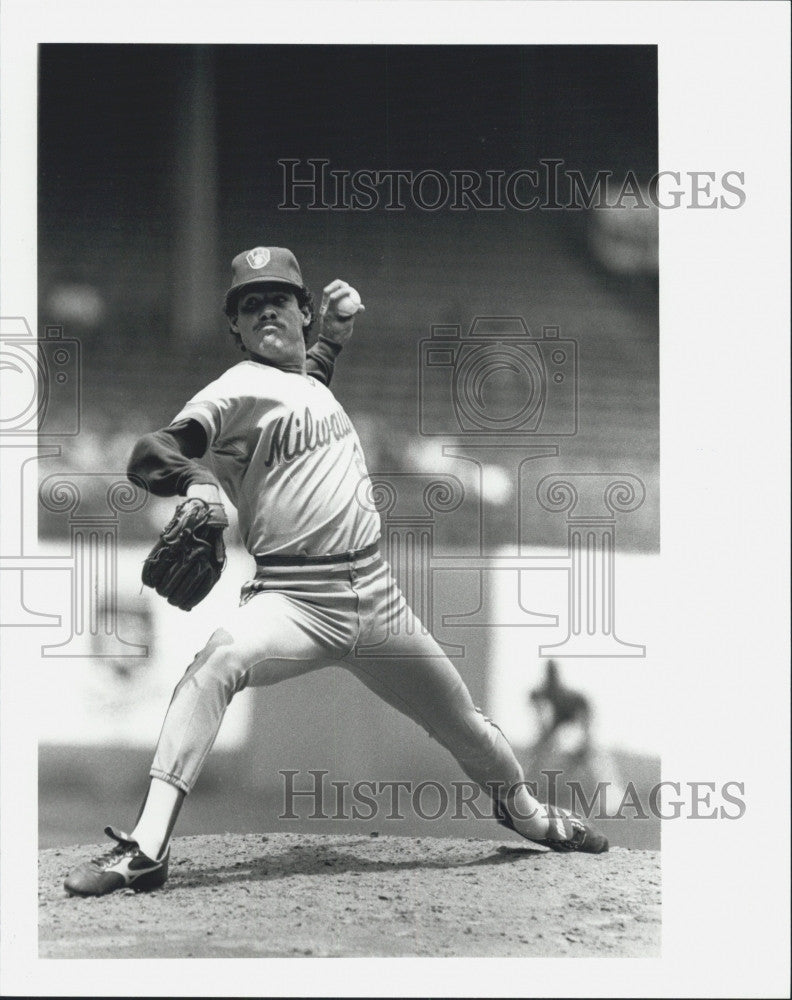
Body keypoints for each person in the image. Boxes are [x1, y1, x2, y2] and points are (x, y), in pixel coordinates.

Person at [64, 246, 607, 897]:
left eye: (278, 301)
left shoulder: (308, 383)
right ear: (235, 328)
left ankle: (527, 814)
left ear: (303, 311)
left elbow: (307, 380)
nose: (265, 311)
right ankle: (147, 846)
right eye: (249, 305)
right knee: (213, 666)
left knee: (467, 726)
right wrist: (198, 482)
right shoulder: (233, 388)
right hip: (294, 600)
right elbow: (150, 452)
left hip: (378, 602)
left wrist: (334, 340)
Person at [529, 659, 593, 763]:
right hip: (557, 721)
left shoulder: (569, 697)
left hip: (569, 715)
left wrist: (584, 741)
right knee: (542, 751)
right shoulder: (544, 691)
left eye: (553, 673)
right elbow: (536, 702)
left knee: (584, 751)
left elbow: (583, 708)